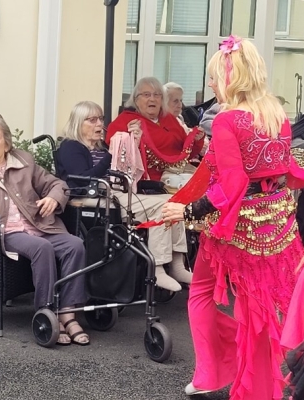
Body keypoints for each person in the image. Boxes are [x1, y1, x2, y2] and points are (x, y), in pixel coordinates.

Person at [161, 35, 304, 399]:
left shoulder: (227, 121)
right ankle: (256, 375)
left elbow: (233, 181)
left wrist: (188, 209)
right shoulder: (277, 116)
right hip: (277, 222)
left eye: (213, 76)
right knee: (267, 304)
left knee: (205, 293)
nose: (210, 84)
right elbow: (284, 169)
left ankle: (217, 373)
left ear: (231, 77)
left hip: (237, 227)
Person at [0, 115, 90, 346]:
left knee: (74, 245)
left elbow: (57, 184)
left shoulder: (24, 161)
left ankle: (67, 312)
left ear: (6, 143)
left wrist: (53, 199)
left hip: (40, 225)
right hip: (6, 232)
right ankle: (46, 312)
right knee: (42, 248)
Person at [56, 101, 192, 292]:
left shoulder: (100, 147)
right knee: (164, 206)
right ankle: (158, 268)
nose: (99, 124)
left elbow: (122, 169)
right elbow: (83, 180)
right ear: (79, 123)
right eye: (92, 120)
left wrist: (131, 145)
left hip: (113, 194)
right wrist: (111, 154)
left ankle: (177, 265)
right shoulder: (71, 147)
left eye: (101, 119)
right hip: (90, 198)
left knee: (174, 202)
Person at [105, 77, 205, 181]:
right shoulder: (126, 120)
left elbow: (186, 154)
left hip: (178, 176)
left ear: (162, 100)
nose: (152, 99)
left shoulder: (169, 118)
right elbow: (115, 152)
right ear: (136, 100)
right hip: (147, 183)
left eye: (157, 95)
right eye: (146, 95)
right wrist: (131, 141)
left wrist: (197, 140)